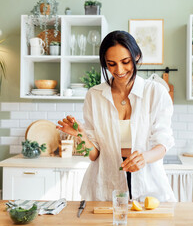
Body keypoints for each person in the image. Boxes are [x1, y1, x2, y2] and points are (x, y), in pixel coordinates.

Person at [56, 30, 175, 202]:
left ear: (137, 57)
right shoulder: (94, 95)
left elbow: (163, 143)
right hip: (104, 185)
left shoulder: (156, 92)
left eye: (125, 62)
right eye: (111, 64)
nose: (119, 70)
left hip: (148, 185)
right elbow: (94, 155)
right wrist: (81, 136)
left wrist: (144, 158)